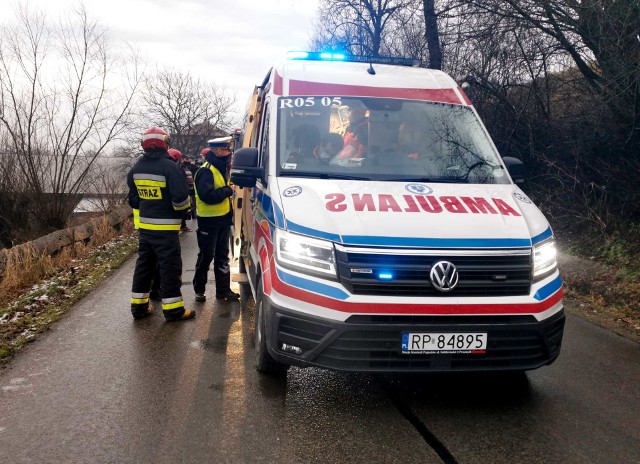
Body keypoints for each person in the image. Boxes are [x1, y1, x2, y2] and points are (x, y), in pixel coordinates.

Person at [127, 127, 195, 321]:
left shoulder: (137, 167)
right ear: (165, 143)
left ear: (144, 144)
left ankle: (139, 308)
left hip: (146, 228)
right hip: (166, 230)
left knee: (144, 267)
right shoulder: (170, 167)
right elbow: (181, 199)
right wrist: (182, 211)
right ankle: (173, 310)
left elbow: (133, 199)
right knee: (169, 268)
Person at [192, 136, 239, 302]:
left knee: (222, 257)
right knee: (206, 257)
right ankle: (199, 290)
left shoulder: (221, 168)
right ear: (218, 151)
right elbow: (207, 196)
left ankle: (223, 291)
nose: (229, 153)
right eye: (227, 150)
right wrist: (228, 190)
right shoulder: (206, 171)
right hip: (209, 222)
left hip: (223, 220)